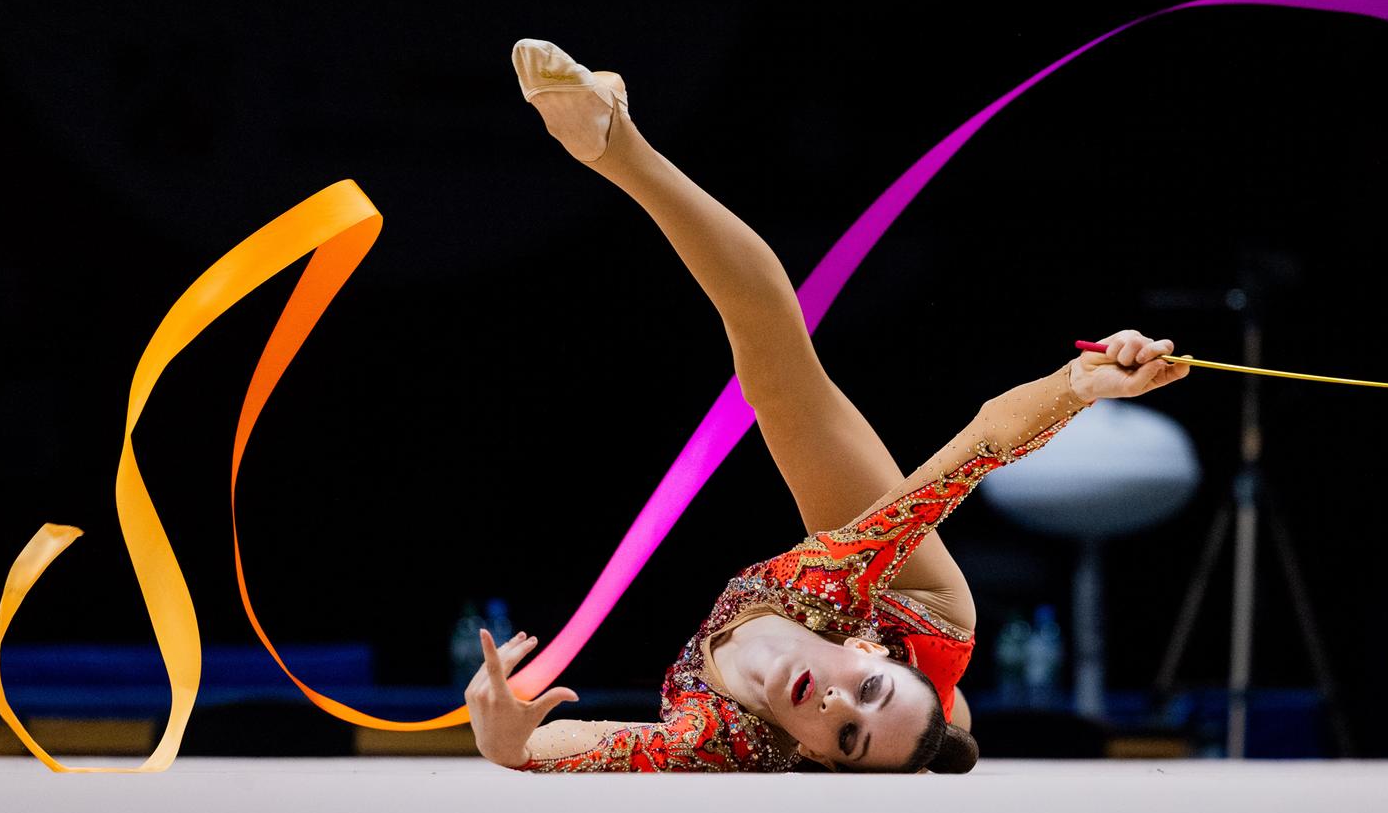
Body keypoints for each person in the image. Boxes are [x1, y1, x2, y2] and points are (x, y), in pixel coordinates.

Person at [462, 39, 1190, 773]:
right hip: (920, 615)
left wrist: (507, 742)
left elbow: (571, 746)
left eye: (845, 738)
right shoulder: (839, 584)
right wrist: (1079, 385)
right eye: (865, 690)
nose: (836, 705)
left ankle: (926, 729)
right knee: (780, 372)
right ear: (866, 649)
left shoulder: (723, 739)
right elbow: (975, 450)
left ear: (816, 759)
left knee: (928, 733)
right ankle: (616, 143)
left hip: (898, 696)